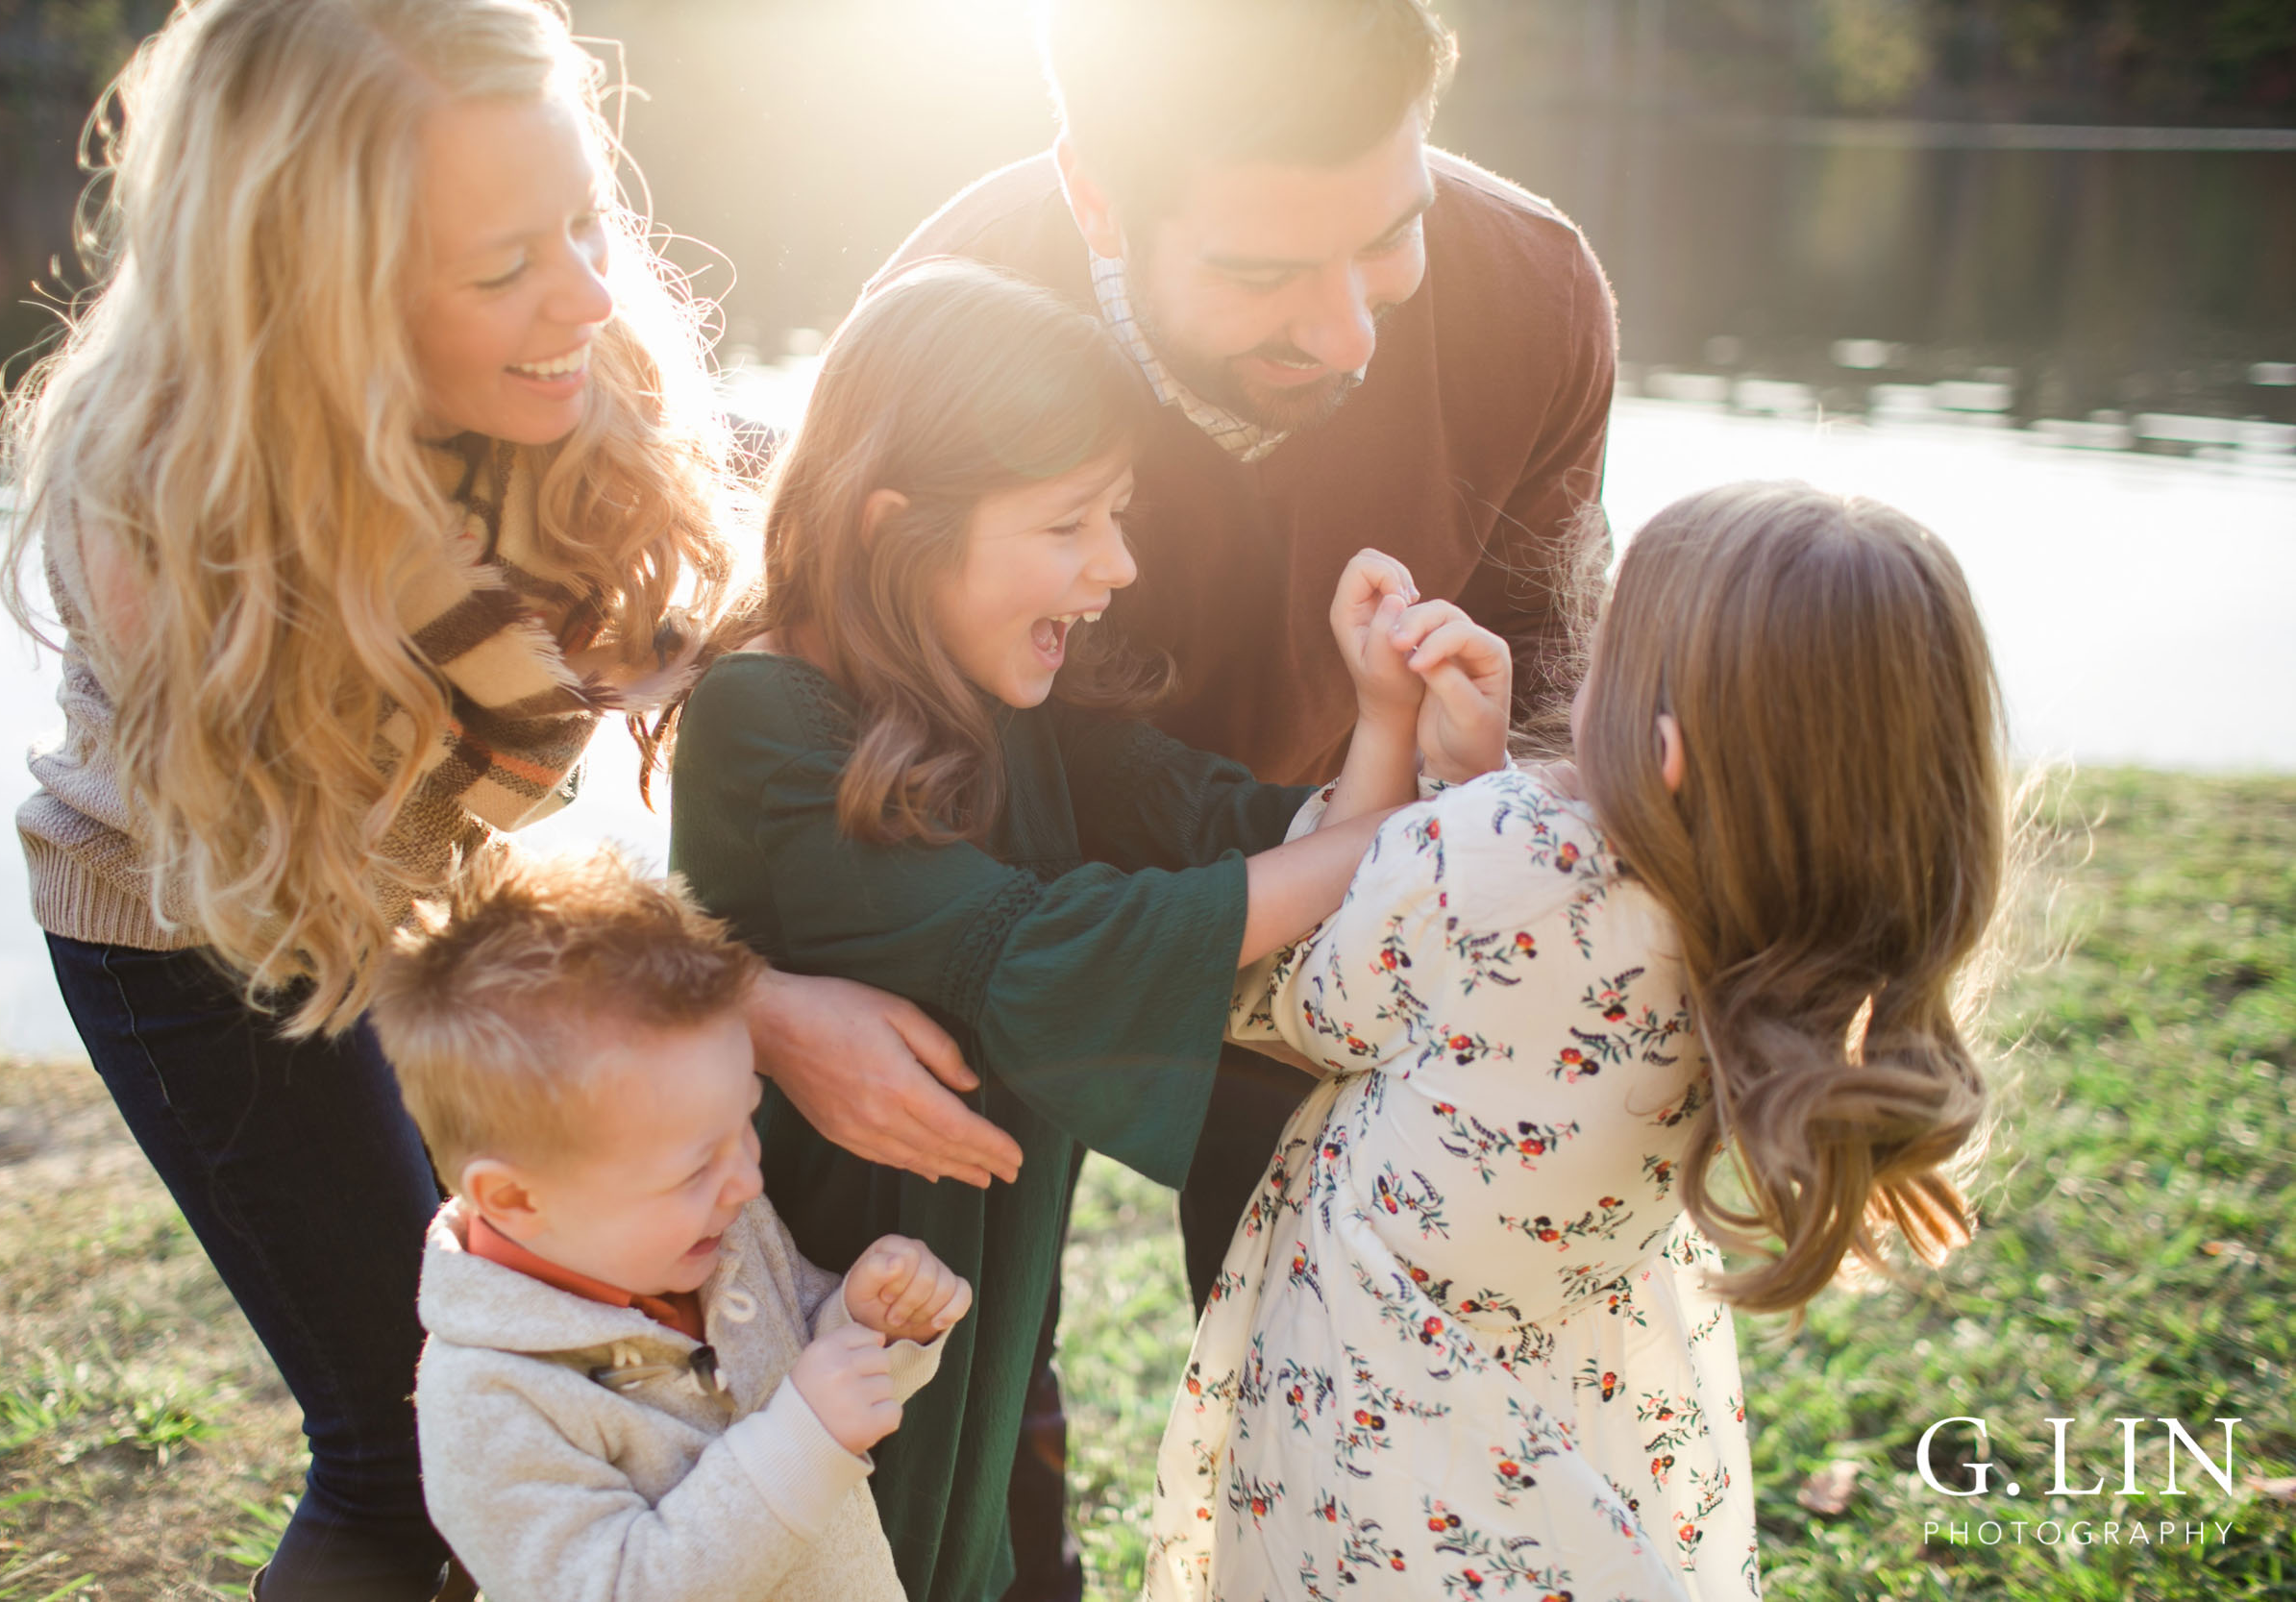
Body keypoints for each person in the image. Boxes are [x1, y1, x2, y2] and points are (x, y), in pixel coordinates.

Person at [0, 3, 1002, 1595]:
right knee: (414, 1448)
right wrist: (749, 1008)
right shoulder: (180, 536)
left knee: (599, 1387)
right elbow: (356, 911)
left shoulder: (582, 374)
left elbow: (751, 537)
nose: (591, 293)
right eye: (504, 266)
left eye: (587, 221)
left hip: (430, 883)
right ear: (315, 299)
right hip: (208, 926)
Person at [665, 259, 1516, 1602]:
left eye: (1117, 514)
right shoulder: (765, 714)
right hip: (788, 1311)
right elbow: (1027, 953)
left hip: (966, 1302)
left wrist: (1387, 727)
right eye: (1071, 523)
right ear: (901, 525)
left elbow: (1251, 842)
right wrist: (1399, 834)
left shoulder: (1027, 702)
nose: (1117, 566)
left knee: (964, 1553)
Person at [1145, 482, 2012, 1601]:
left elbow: (1298, 998)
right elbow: (1537, 971)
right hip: (1570, 1419)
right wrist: (1479, 786)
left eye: (1603, 649)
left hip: (1378, 1443)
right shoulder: (1780, 937)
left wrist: (1394, 735)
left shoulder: (1505, 858)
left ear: (1665, 751)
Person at [369, 847, 971, 1602]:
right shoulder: (492, 1402)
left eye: (744, 1124)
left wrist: (863, 1323)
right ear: (517, 1198)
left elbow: (797, 1369)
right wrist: (803, 1440)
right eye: (695, 1167)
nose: (747, 1179)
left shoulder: (717, 1231)